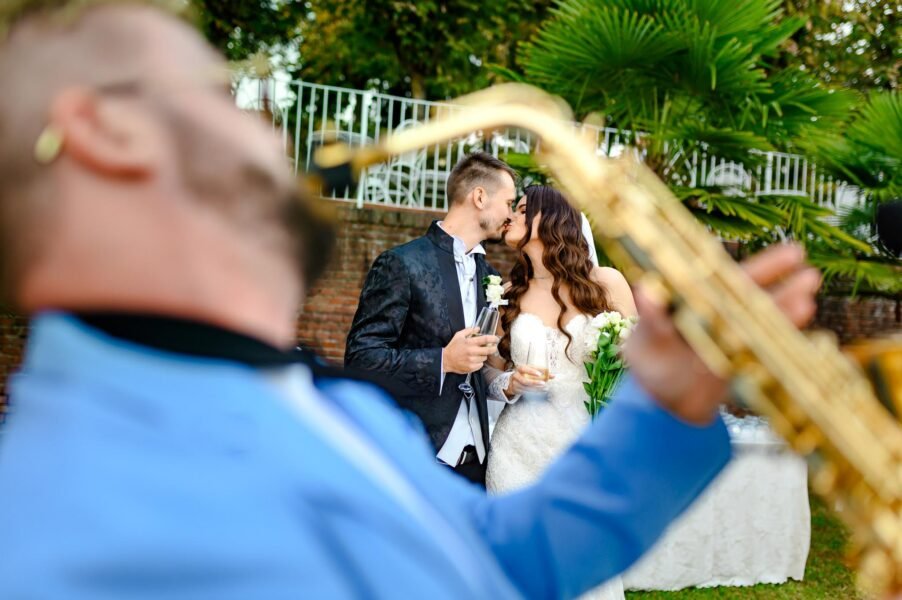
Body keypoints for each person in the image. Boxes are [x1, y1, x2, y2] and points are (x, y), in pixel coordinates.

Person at [0, 2, 822, 598]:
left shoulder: (332, 411)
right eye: (223, 93)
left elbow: (501, 559)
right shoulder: (46, 534)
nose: (266, 123)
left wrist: (667, 404)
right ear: (109, 132)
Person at [485, 185, 637, 599]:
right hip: (516, 451)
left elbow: (643, 367)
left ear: (549, 217)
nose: (511, 216)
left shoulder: (605, 283)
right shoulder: (508, 294)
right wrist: (509, 383)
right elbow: (488, 371)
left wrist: (626, 355)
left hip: (582, 449)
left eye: (521, 209)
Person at [345, 152, 517, 486]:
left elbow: (478, 367)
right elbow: (361, 358)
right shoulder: (401, 263)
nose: (510, 215)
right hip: (415, 456)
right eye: (509, 203)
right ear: (480, 197)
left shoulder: (491, 275)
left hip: (478, 461)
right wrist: (444, 360)